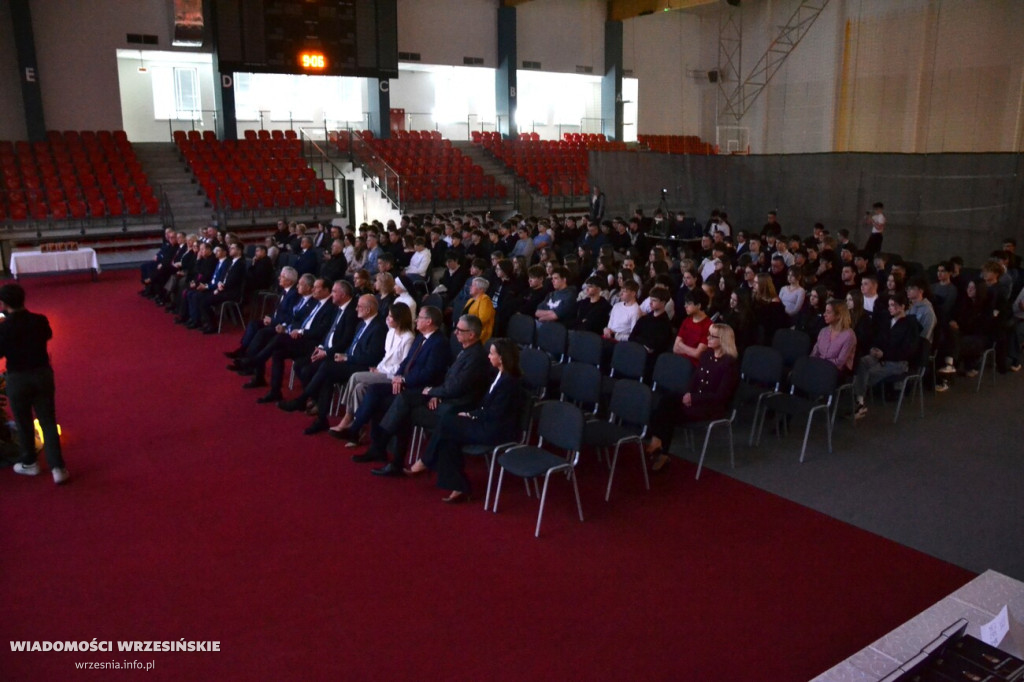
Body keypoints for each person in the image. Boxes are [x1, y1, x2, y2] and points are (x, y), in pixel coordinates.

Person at [406, 338, 523, 503]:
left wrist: (471, 415)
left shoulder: (509, 383)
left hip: (496, 430)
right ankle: (459, 486)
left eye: (491, 354)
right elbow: (487, 407)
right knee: (448, 436)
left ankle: (427, 461)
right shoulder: (499, 376)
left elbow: (496, 413)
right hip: (487, 423)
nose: (488, 356)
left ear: (501, 357)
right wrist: (471, 413)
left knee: (447, 424)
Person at [648, 323, 740, 472]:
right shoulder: (707, 355)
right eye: (709, 334)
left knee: (667, 412)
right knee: (667, 400)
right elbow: (695, 379)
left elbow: (721, 396)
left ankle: (660, 447)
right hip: (695, 399)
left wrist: (694, 398)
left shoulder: (730, 364)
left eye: (712, 336)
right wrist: (688, 394)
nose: (708, 338)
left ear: (723, 340)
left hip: (711, 407)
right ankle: (659, 445)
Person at [0, 284, 67, 484]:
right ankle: (58, 468)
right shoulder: (40, 320)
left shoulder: (4, 328)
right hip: (42, 374)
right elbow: (48, 335)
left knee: (23, 421)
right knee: (47, 420)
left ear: (4, 304)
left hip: (18, 378)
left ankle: (30, 462)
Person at [329, 302, 416, 437]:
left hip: (391, 375)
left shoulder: (408, 338)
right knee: (359, 388)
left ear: (399, 318)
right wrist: (378, 368)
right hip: (381, 369)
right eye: (387, 315)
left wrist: (382, 371)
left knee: (356, 377)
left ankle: (348, 416)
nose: (387, 319)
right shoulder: (391, 332)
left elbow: (403, 365)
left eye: (391, 316)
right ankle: (359, 426)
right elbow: (386, 356)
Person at [852, 292, 920, 419]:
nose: (890, 308)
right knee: (862, 362)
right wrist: (874, 348)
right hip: (881, 357)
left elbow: (907, 351)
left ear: (902, 307)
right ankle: (860, 401)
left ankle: (857, 401)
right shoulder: (888, 322)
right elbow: (879, 338)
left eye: (893, 305)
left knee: (868, 373)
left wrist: (884, 354)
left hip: (897, 362)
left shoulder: (910, 325)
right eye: (889, 305)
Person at [811, 299, 857, 379]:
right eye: (825, 311)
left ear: (838, 315)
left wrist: (820, 364)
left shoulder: (849, 335)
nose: (824, 314)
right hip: (819, 367)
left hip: (837, 372)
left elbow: (840, 363)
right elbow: (815, 352)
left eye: (828, 312)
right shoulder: (823, 331)